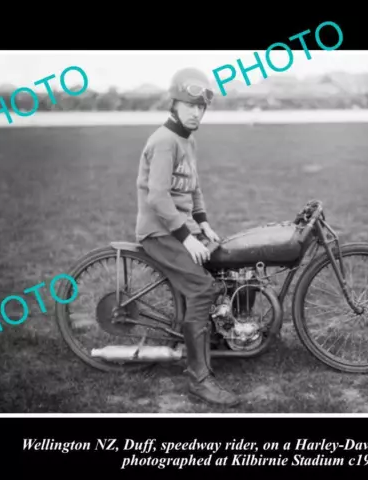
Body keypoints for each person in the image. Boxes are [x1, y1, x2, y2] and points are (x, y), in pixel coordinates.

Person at [135, 67, 240, 407]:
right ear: (175, 104)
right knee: (201, 288)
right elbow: (158, 198)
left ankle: (217, 340)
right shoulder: (164, 141)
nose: (197, 112)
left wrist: (203, 223)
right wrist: (186, 236)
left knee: (227, 267)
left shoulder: (187, 139)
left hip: (179, 227)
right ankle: (198, 378)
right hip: (159, 231)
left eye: (201, 107)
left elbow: (193, 187)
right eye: (190, 105)